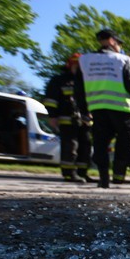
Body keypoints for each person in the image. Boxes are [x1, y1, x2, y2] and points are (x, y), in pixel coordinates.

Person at [75, 28, 130, 189]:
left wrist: (84, 111)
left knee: (101, 144)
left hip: (98, 108)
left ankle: (103, 180)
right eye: (118, 43)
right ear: (111, 41)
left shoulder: (85, 60)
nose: (119, 47)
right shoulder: (121, 59)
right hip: (122, 109)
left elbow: (79, 89)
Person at [44, 53, 93, 183]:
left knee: (85, 147)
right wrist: (53, 116)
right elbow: (51, 100)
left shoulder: (87, 81)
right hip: (67, 118)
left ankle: (82, 173)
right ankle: (69, 173)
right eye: (77, 64)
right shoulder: (59, 80)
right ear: (70, 64)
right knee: (70, 146)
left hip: (84, 120)